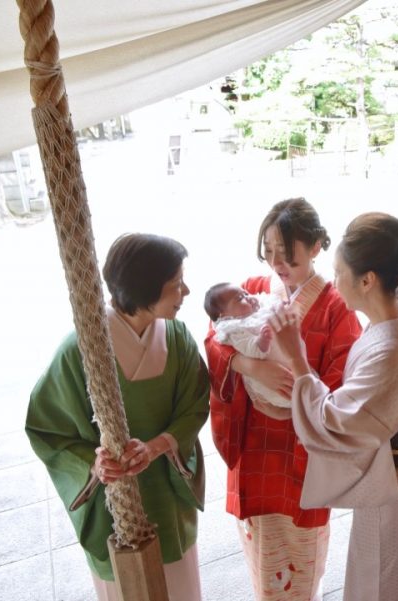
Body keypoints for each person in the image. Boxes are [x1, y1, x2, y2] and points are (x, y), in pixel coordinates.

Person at [26, 233, 210, 600]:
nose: (186, 291)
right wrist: (95, 465)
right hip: (116, 505)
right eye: (176, 284)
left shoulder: (177, 338)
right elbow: (47, 427)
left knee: (180, 588)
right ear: (144, 291)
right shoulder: (79, 350)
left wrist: (158, 446)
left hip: (167, 494)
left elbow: (195, 403)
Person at [267, 212, 398, 601]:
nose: (334, 281)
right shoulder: (395, 325)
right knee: (375, 577)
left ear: (367, 280)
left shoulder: (393, 349)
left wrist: (296, 358)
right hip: (395, 479)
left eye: (339, 271)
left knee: (384, 587)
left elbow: (336, 422)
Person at [204, 198, 362, 601]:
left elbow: (340, 386)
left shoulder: (336, 309)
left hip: (300, 453)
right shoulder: (252, 293)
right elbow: (214, 337)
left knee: (302, 564)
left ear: (315, 248)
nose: (276, 264)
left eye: (287, 254)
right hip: (256, 450)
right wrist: (249, 366)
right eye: (269, 252)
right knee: (262, 562)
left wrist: (297, 381)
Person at [203, 282, 286, 410]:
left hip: (293, 364)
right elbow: (245, 346)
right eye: (240, 298)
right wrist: (260, 343)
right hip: (271, 381)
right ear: (224, 315)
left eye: (246, 294)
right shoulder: (234, 328)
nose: (248, 297)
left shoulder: (261, 303)